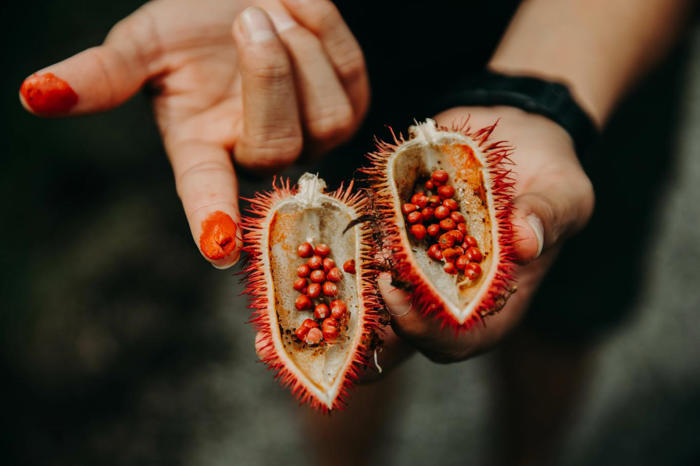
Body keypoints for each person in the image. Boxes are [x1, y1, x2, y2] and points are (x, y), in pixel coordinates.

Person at [19, 0, 693, 464]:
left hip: (599, 36)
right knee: (354, 301)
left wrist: (546, 94)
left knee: (568, 305)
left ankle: (526, 457)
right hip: (343, 47)